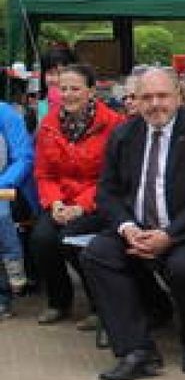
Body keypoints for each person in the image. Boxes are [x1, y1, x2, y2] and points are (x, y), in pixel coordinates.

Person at [80, 68, 185, 380]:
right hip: (138, 228)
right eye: (146, 97)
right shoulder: (124, 134)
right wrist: (126, 228)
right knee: (97, 255)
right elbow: (107, 191)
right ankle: (136, 350)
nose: (155, 104)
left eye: (162, 96)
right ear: (135, 101)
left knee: (183, 266)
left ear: (178, 97)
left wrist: (169, 235)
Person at [31, 64, 123, 326]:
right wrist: (55, 203)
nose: (68, 94)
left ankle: (99, 304)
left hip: (97, 202)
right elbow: (44, 173)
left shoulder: (113, 124)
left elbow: (112, 178)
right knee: (41, 239)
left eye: (75, 88)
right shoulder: (49, 124)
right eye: (63, 89)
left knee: (70, 240)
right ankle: (58, 301)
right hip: (61, 201)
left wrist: (82, 206)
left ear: (91, 91)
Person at [0, 97, 37, 311]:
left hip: (8, 185)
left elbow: (24, 158)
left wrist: (3, 183)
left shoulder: (5, 113)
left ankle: (5, 290)